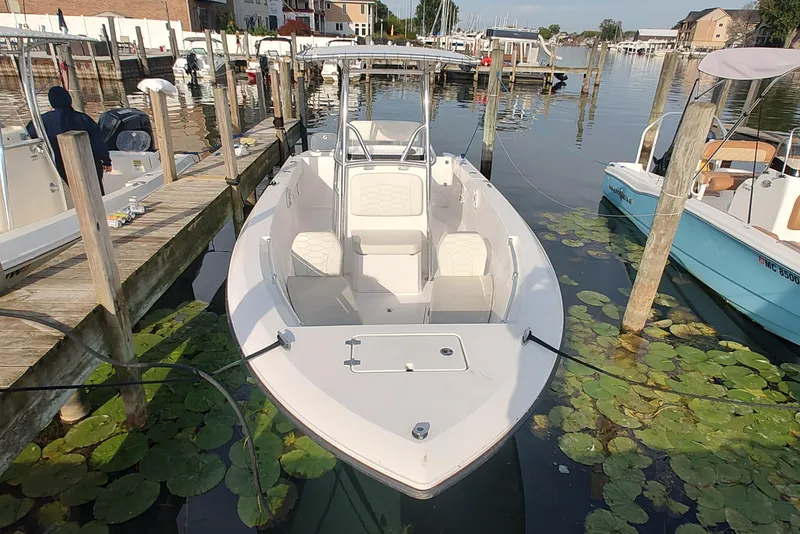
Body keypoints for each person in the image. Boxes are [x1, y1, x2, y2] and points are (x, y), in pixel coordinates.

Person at [26, 86, 112, 195]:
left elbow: (28, 136)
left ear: (51, 102)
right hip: (90, 162)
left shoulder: (42, 121)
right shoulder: (84, 118)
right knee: (96, 192)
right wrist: (106, 161)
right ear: (69, 99)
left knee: (73, 193)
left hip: (62, 164)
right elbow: (98, 143)